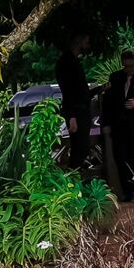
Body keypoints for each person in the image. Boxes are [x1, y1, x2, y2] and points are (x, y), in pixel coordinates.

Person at [102, 49, 134, 203]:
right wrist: (106, 124)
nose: (129, 69)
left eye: (131, 66)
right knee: (121, 159)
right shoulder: (116, 77)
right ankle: (126, 191)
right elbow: (108, 103)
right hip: (120, 127)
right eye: (126, 66)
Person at [55, 31, 94, 175]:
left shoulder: (73, 61)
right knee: (80, 148)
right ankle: (71, 179)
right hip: (76, 111)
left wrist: (98, 90)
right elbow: (69, 90)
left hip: (81, 109)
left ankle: (74, 178)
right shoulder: (67, 63)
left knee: (82, 148)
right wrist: (71, 116)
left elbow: (80, 92)